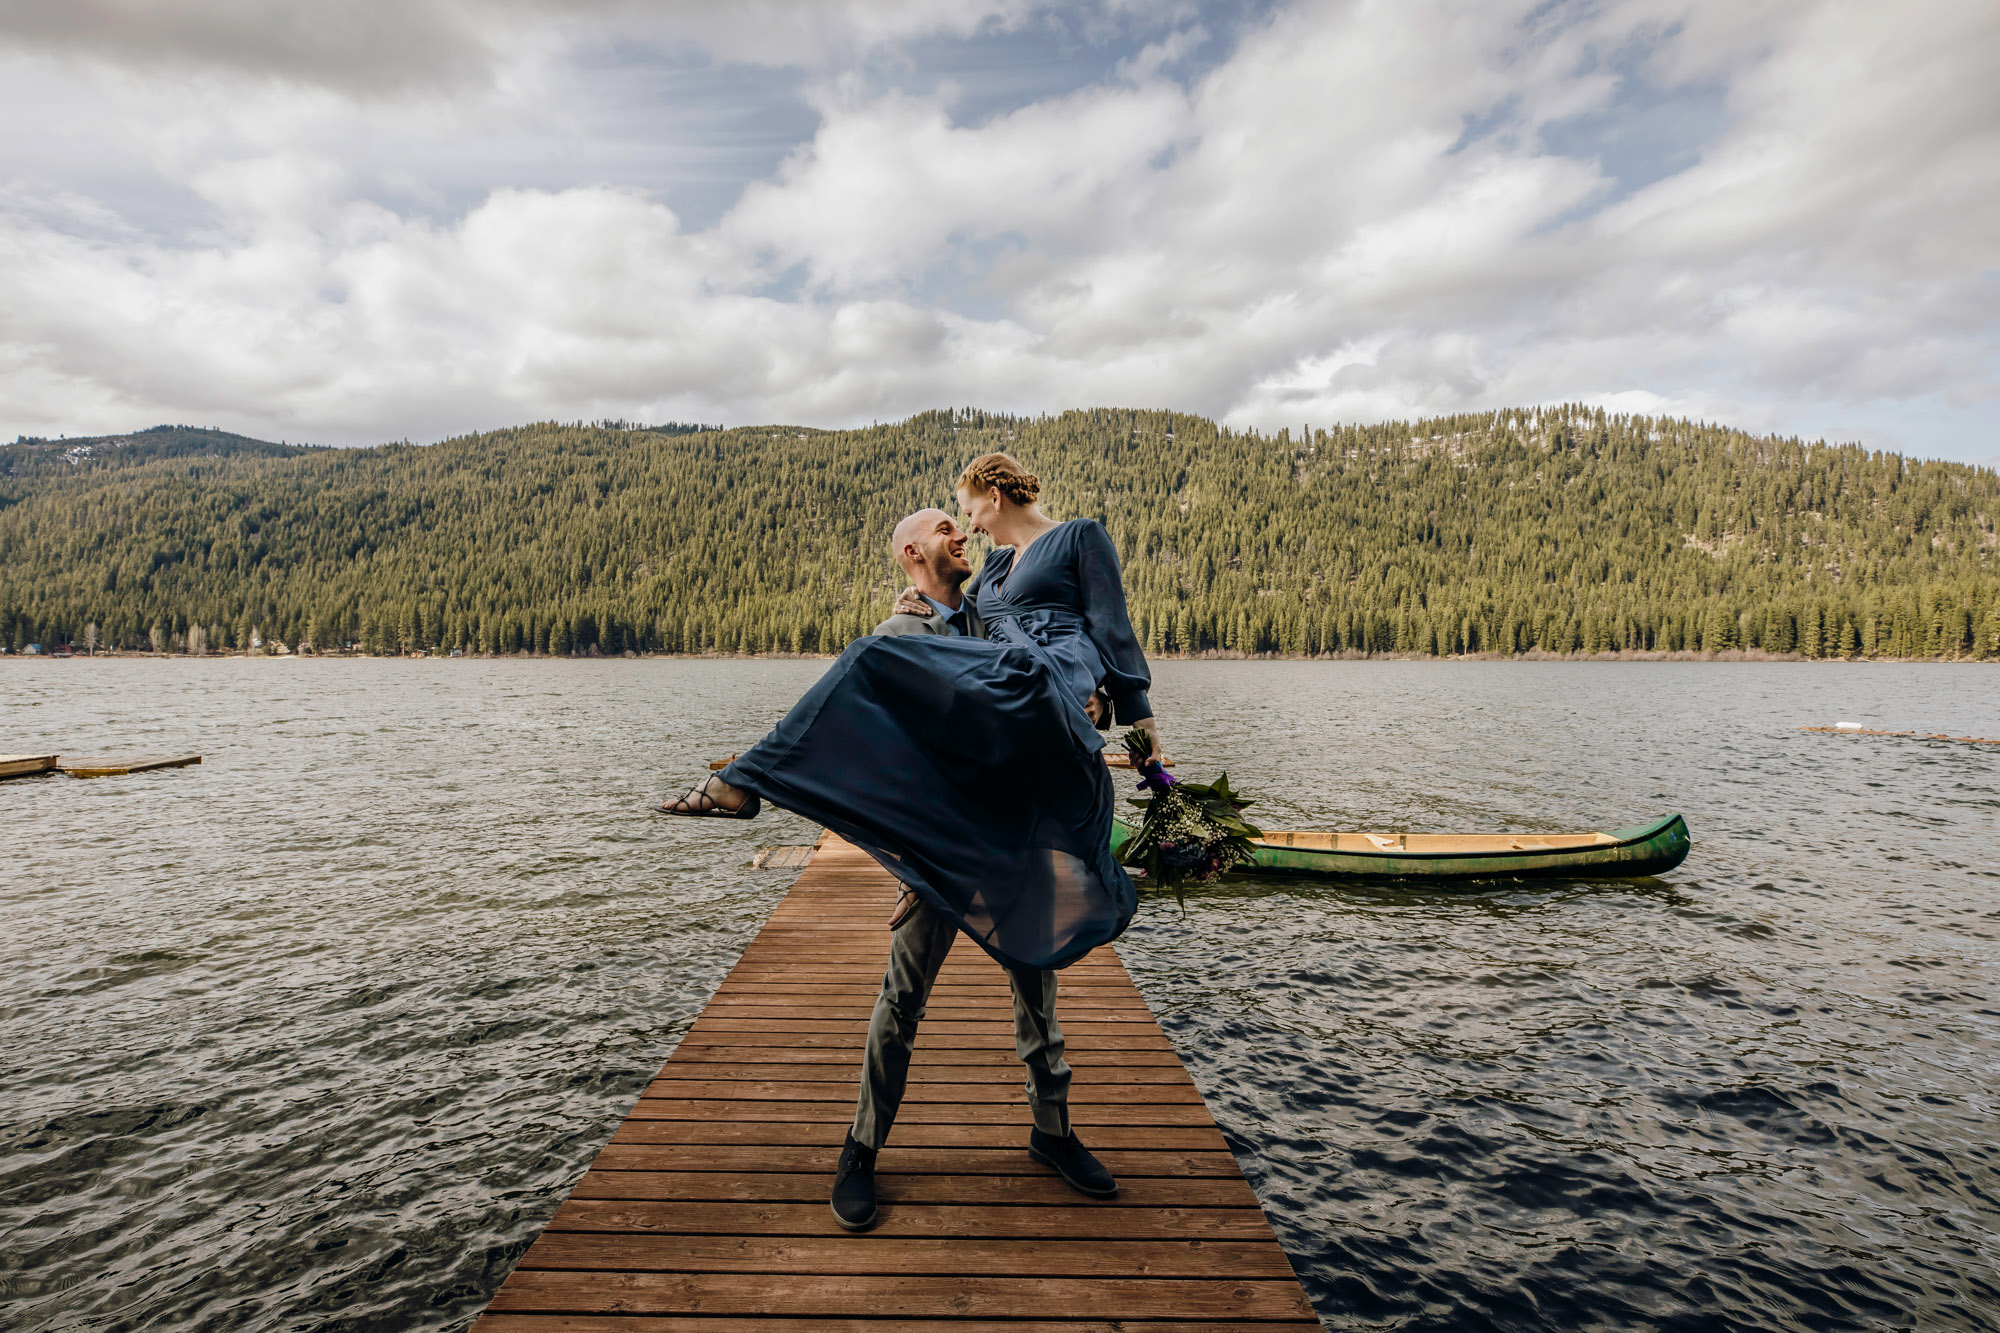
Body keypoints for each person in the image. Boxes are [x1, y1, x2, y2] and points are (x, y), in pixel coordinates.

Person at [658, 452, 1161, 1228]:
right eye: (943, 528)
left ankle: (1052, 1133)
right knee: (903, 995)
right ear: (911, 553)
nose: (960, 531)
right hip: (945, 839)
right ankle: (860, 1149)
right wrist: (902, 865)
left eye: (962, 518)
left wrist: (1122, 710)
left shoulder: (1028, 568)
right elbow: (895, 747)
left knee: (1039, 989)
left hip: (1022, 822)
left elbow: (1097, 629)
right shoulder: (924, 618)